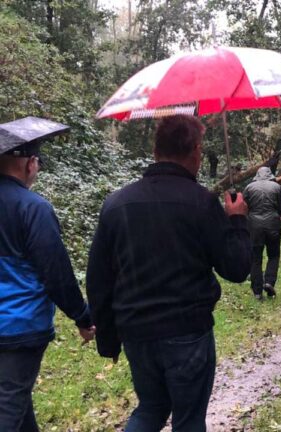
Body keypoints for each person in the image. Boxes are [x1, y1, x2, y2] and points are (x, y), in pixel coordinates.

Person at [86, 115, 251, 432]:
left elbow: (98, 280)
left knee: (150, 409)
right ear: (195, 150)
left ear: (156, 150)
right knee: (188, 420)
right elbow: (237, 268)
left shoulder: (116, 204)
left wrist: (108, 340)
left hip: (136, 333)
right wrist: (237, 221)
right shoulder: (201, 203)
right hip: (187, 332)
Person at [0, 130, 95, 431]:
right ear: (30, 164)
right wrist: (82, 316)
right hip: (18, 326)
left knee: (16, 403)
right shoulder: (32, 208)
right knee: (8, 409)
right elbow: (55, 271)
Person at [243, 166, 281, 300]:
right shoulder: (277, 187)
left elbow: (244, 207)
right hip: (273, 224)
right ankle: (269, 282)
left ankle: (257, 292)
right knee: (273, 255)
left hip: (254, 226)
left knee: (255, 258)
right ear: (270, 175)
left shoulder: (249, 187)